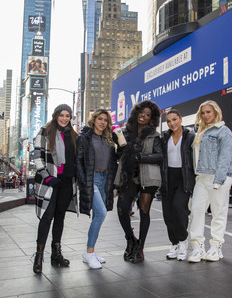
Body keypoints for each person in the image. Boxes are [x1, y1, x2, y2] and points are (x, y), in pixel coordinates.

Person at [114, 100, 163, 263]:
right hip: (129, 177)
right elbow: (118, 155)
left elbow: (160, 156)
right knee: (121, 209)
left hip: (148, 178)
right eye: (142, 112)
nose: (144, 116)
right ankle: (131, 239)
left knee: (144, 211)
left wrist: (141, 157)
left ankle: (140, 248)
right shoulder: (125, 133)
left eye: (148, 115)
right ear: (136, 113)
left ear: (152, 119)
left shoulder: (154, 136)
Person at [188, 100, 232, 263]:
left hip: (219, 177)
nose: (205, 115)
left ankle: (215, 247)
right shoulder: (201, 131)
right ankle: (197, 247)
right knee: (196, 211)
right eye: (203, 113)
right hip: (201, 177)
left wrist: (219, 180)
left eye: (208, 112)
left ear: (216, 112)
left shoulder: (223, 131)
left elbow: (226, 157)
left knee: (218, 212)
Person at [33, 104, 78, 274]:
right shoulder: (45, 132)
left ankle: (56, 253)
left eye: (68, 115)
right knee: (47, 217)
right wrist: (47, 177)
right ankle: (38, 255)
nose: (65, 118)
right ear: (55, 115)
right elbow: (37, 156)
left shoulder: (73, 135)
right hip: (50, 181)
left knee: (60, 217)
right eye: (62, 115)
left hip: (67, 181)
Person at [76, 109, 118, 269]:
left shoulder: (109, 139)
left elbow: (114, 160)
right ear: (94, 120)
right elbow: (79, 160)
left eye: (106, 120)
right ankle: (89, 251)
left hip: (104, 179)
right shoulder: (84, 138)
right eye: (100, 119)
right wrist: (84, 181)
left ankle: (91, 252)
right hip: (91, 179)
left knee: (97, 217)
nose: (102, 122)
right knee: (101, 213)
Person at [161, 109, 195, 261]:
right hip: (167, 178)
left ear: (180, 119)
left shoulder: (190, 136)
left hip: (183, 177)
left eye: (174, 119)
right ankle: (174, 243)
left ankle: (182, 241)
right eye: (168, 121)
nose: (172, 123)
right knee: (168, 213)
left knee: (178, 207)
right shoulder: (164, 137)